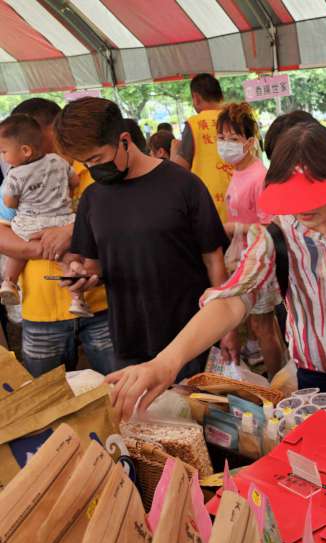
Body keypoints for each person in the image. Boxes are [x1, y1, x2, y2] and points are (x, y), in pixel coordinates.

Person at [106, 122, 326, 420]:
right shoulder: (275, 238)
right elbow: (231, 302)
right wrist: (166, 362)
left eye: (312, 195)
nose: (302, 208)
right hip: (322, 381)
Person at [54, 97, 229, 381]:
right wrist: (80, 276)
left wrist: (226, 328)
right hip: (129, 340)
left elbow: (214, 260)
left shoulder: (183, 184)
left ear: (124, 140)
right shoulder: (92, 198)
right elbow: (94, 267)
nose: (92, 168)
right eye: (84, 162)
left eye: (96, 159)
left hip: (191, 337)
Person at [5, 98, 113, 376]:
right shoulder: (17, 177)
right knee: (49, 395)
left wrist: (71, 232)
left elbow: (116, 221)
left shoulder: (92, 168)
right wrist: (50, 246)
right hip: (41, 312)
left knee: (116, 388)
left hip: (99, 303)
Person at [215, 102, 285, 376]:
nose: (225, 144)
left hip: (259, 261)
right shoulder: (238, 171)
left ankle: (276, 383)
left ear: (250, 141)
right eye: (221, 137)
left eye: (233, 138)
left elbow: (270, 224)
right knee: (258, 326)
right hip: (243, 260)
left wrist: (236, 228)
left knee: (262, 327)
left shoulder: (259, 176)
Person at [0, 115, 91, 317]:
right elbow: (75, 182)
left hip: (31, 223)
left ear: (25, 150)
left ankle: (9, 282)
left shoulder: (14, 175)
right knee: (71, 259)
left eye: (4, 152)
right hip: (63, 218)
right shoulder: (59, 162)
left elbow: (9, 203)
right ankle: (78, 299)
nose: (3, 158)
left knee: (17, 248)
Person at [171, 73, 232, 221]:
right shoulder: (238, 118)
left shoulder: (194, 124)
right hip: (243, 197)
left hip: (209, 203)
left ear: (196, 98)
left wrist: (174, 151)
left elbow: (180, 169)